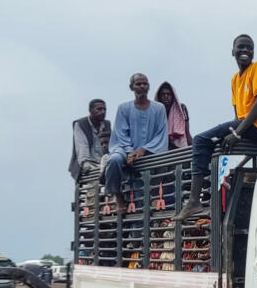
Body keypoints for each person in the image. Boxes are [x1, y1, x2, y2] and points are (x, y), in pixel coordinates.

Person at [175, 35, 257, 221]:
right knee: (217, 144)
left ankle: (194, 200)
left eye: (249, 48)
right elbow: (237, 115)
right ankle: (209, 192)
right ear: (233, 51)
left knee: (200, 140)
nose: (245, 51)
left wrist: (237, 133)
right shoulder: (235, 80)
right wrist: (233, 133)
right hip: (248, 126)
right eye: (241, 47)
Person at [106, 74, 169, 213]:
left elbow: (161, 134)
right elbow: (121, 132)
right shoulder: (123, 108)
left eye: (145, 84)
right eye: (138, 84)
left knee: (159, 168)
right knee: (114, 160)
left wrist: (143, 150)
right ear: (131, 87)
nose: (142, 86)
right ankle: (117, 196)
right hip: (124, 148)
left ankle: (153, 197)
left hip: (150, 150)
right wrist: (130, 152)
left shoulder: (159, 108)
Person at [68, 99, 111, 180]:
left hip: (103, 162)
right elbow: (81, 145)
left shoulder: (106, 124)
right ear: (90, 110)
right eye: (99, 109)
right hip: (89, 162)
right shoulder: (81, 124)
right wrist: (85, 163)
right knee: (91, 188)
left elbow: (110, 144)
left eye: (104, 109)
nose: (102, 112)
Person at [155, 82, 191, 149]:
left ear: (173, 96)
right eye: (163, 94)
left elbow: (187, 132)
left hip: (179, 146)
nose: (166, 96)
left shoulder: (181, 109)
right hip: (161, 147)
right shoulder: (155, 113)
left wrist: (192, 147)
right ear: (159, 97)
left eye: (168, 94)